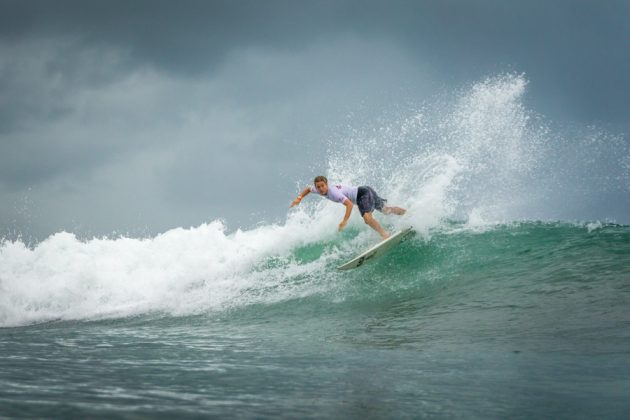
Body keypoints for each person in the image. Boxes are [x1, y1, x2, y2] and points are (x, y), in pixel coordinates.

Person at [290, 175, 406, 240]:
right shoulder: (316, 189)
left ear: (327, 184)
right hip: (365, 189)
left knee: (367, 218)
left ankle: (385, 235)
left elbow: (349, 205)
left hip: (362, 194)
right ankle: (407, 213)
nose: (320, 189)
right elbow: (308, 189)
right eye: (318, 187)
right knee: (386, 210)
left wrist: (344, 221)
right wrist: (299, 198)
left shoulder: (333, 193)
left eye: (322, 186)